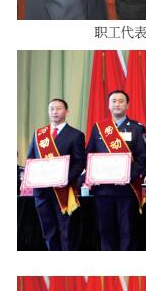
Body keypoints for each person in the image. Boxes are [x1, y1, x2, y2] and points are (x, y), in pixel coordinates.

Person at [86, 90, 146, 251]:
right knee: (106, 230)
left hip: (127, 188)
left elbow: (142, 158)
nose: (117, 104)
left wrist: (128, 177)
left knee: (127, 229)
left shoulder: (137, 128)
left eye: (121, 101)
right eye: (113, 101)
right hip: (103, 189)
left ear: (127, 105)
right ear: (108, 105)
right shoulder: (99, 128)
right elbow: (89, 155)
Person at [27, 99, 86, 251]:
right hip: (41, 191)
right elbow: (31, 159)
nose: (54, 112)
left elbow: (79, 162)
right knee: (48, 230)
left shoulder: (76, 135)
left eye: (58, 108)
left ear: (67, 112)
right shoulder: (39, 134)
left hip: (63, 190)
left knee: (66, 230)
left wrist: (66, 180)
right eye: (51, 108)